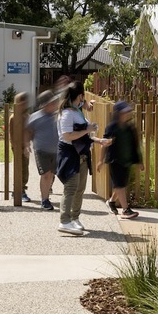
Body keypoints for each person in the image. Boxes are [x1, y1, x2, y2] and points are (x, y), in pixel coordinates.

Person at [54, 83, 101, 236]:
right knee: (71, 188)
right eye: (83, 96)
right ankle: (64, 221)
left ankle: (75, 218)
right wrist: (88, 129)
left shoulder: (76, 108)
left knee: (80, 189)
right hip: (69, 154)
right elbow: (67, 136)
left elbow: (86, 105)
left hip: (81, 154)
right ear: (80, 95)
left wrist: (92, 132)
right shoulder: (68, 113)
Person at [24, 90, 62, 210]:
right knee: (46, 175)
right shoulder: (35, 117)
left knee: (51, 174)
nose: (56, 104)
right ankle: (44, 200)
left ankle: (46, 193)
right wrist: (26, 144)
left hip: (56, 150)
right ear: (45, 104)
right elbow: (28, 131)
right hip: (41, 150)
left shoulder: (58, 115)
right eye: (53, 102)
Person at [105, 100, 142, 220]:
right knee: (120, 185)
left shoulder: (130, 128)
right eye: (124, 112)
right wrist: (101, 161)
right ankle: (125, 210)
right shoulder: (112, 127)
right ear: (118, 113)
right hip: (115, 160)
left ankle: (111, 202)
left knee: (120, 184)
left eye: (128, 112)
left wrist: (139, 161)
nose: (127, 114)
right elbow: (104, 143)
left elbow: (135, 145)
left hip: (126, 161)